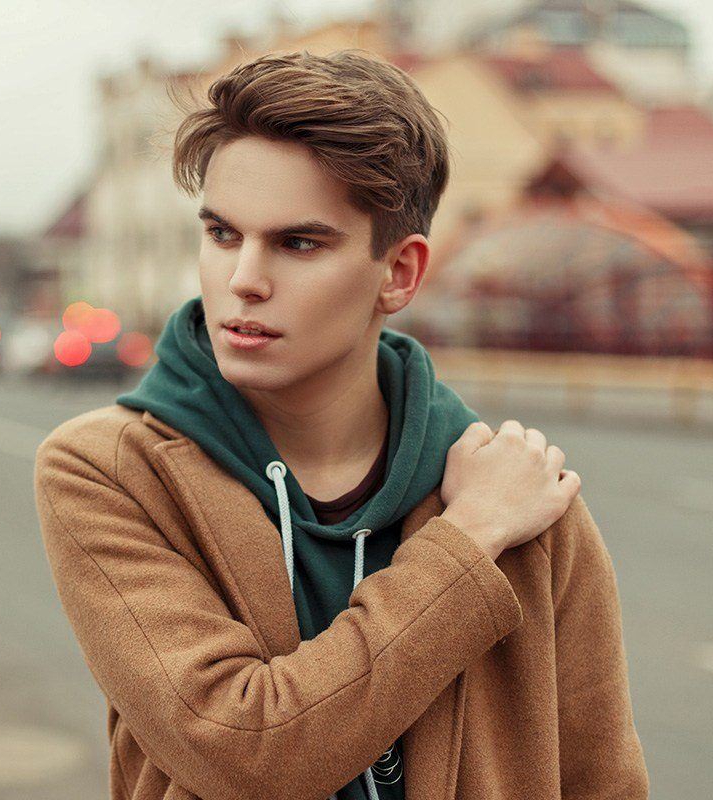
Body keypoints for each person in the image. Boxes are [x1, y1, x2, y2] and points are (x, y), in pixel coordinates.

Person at [33, 49, 648, 800]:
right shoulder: (110, 469)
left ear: (399, 273)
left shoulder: (523, 500)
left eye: (297, 243)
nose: (244, 280)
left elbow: (601, 782)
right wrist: (464, 543)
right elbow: (243, 752)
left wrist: (487, 521)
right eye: (222, 234)